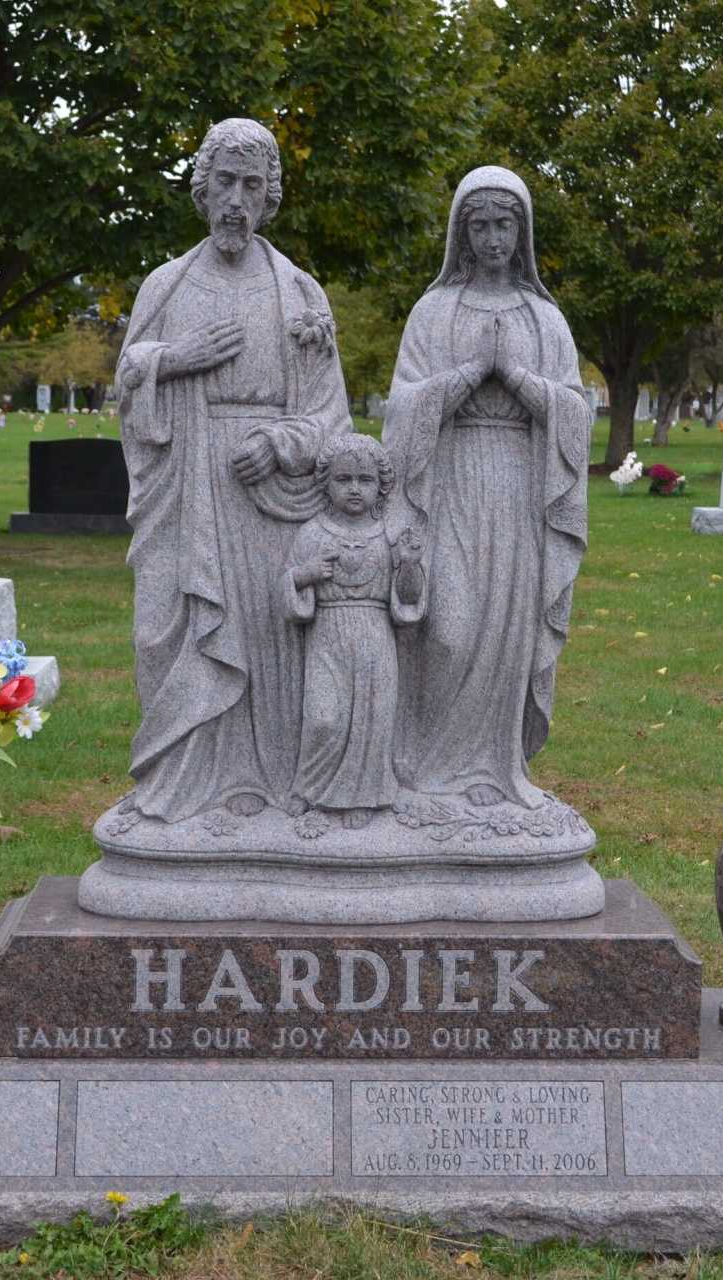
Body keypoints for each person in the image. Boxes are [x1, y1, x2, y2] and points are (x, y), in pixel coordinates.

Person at [113, 118, 351, 822]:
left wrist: (279, 443)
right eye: (225, 182)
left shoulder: (299, 292)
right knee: (171, 630)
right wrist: (175, 359)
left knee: (273, 634)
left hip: (270, 497)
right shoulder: (167, 284)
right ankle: (182, 786)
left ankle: (268, 788)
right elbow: (129, 376)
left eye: (253, 185)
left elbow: (330, 415)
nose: (236, 201)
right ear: (202, 188)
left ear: (270, 196)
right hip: (185, 482)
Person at [380, 166, 591, 809]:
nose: (494, 239)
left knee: (509, 631)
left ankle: (498, 774)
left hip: (521, 489)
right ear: (461, 234)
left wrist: (518, 379)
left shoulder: (542, 317)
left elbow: (576, 410)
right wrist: (472, 373)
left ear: (522, 233)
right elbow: (402, 407)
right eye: (480, 226)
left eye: (505, 225)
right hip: (448, 485)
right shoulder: (433, 310)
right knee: (447, 629)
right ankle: (427, 770)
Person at [281, 435, 424, 829]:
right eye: (344, 479)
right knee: (324, 717)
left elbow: (408, 600)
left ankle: (363, 795)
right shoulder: (312, 533)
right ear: (326, 483)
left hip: (376, 636)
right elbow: (288, 588)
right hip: (328, 634)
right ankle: (308, 788)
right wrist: (305, 575)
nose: (355, 488)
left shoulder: (390, 533)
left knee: (371, 720)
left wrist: (409, 565)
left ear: (381, 485)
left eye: (364, 479)